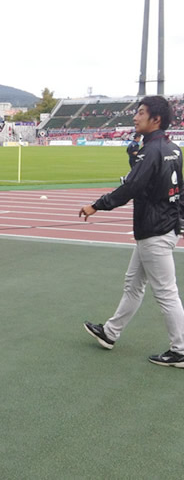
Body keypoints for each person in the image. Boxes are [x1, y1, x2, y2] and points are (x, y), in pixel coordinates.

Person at [80, 95, 184, 368]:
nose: (135, 117)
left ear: (156, 119)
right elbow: (168, 186)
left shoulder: (152, 151)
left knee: (166, 292)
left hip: (154, 230)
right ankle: (110, 332)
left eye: (141, 113)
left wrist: (96, 205)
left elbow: (132, 187)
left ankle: (181, 350)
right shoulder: (172, 148)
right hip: (162, 227)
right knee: (133, 285)